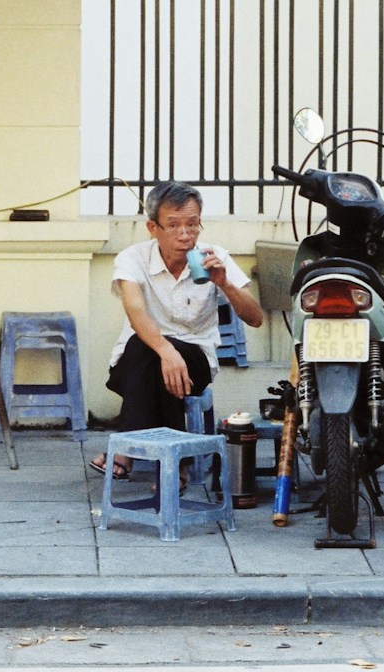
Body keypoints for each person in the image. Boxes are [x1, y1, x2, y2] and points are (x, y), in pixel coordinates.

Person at [92, 181, 264, 479]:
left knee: (149, 355)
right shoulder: (132, 259)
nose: (185, 235)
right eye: (173, 225)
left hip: (193, 361)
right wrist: (166, 351)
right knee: (146, 349)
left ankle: (125, 450)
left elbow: (255, 317)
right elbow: (135, 313)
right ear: (152, 227)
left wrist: (224, 283)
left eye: (192, 224)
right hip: (134, 363)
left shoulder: (214, 257)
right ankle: (177, 465)